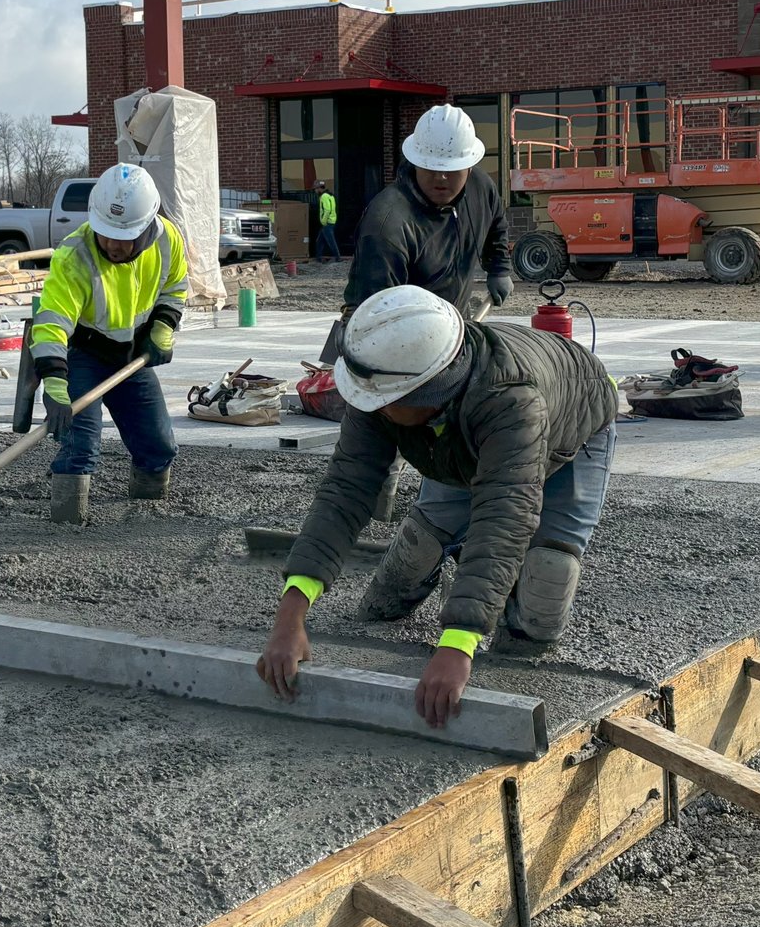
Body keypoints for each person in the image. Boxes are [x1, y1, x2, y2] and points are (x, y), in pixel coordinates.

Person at [259, 285, 617, 728]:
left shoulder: (510, 399)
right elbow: (345, 491)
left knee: (545, 583)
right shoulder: (381, 387)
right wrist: (290, 612)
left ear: (431, 390)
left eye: (390, 404)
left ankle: (517, 658)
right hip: (458, 439)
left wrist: (458, 643)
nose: (378, 410)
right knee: (416, 552)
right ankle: (410, 592)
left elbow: (504, 514)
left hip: (571, 430)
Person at [30, 163, 187, 525]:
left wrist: (163, 326)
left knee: (159, 445)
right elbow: (52, 321)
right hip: (84, 353)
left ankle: (148, 513)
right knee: (80, 443)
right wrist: (54, 381)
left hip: (132, 355)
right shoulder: (75, 256)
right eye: (107, 233)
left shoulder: (168, 240)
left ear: (147, 225)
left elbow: (176, 287)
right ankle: (66, 524)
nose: (114, 244)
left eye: (126, 235)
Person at [325, 105, 512, 362]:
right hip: (386, 332)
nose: (441, 176)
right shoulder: (388, 223)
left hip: (452, 323)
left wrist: (499, 268)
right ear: (415, 162)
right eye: (431, 167)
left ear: (469, 166)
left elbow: (497, 222)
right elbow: (372, 312)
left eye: (452, 168)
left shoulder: (481, 189)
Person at [312, 185, 341, 261]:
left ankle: (338, 257)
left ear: (319, 189)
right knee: (319, 241)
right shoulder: (330, 195)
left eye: (315, 189)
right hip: (331, 221)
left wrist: (323, 221)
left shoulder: (324, 196)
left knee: (331, 241)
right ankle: (318, 257)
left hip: (327, 222)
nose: (315, 191)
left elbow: (327, 210)